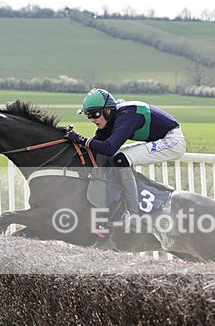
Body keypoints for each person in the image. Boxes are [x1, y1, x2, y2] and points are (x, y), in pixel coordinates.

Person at [66, 88, 187, 228]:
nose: (92, 120)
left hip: (173, 142)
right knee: (111, 158)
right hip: (160, 139)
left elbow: (109, 148)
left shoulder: (128, 115)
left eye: (95, 114)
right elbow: (95, 147)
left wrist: (80, 138)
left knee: (120, 159)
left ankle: (133, 216)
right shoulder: (110, 120)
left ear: (108, 110)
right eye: (88, 115)